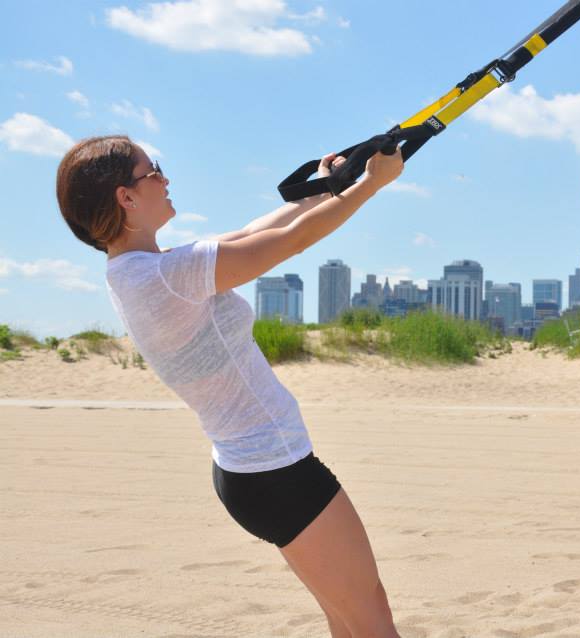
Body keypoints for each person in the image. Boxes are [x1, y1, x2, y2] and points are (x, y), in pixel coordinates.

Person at [56, 135, 404, 637]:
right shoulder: (164, 276)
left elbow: (252, 232)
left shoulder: (140, 271)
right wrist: (371, 184)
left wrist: (328, 187)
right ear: (125, 198)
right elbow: (290, 242)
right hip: (275, 472)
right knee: (372, 620)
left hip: (256, 473)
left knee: (350, 620)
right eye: (152, 170)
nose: (165, 177)